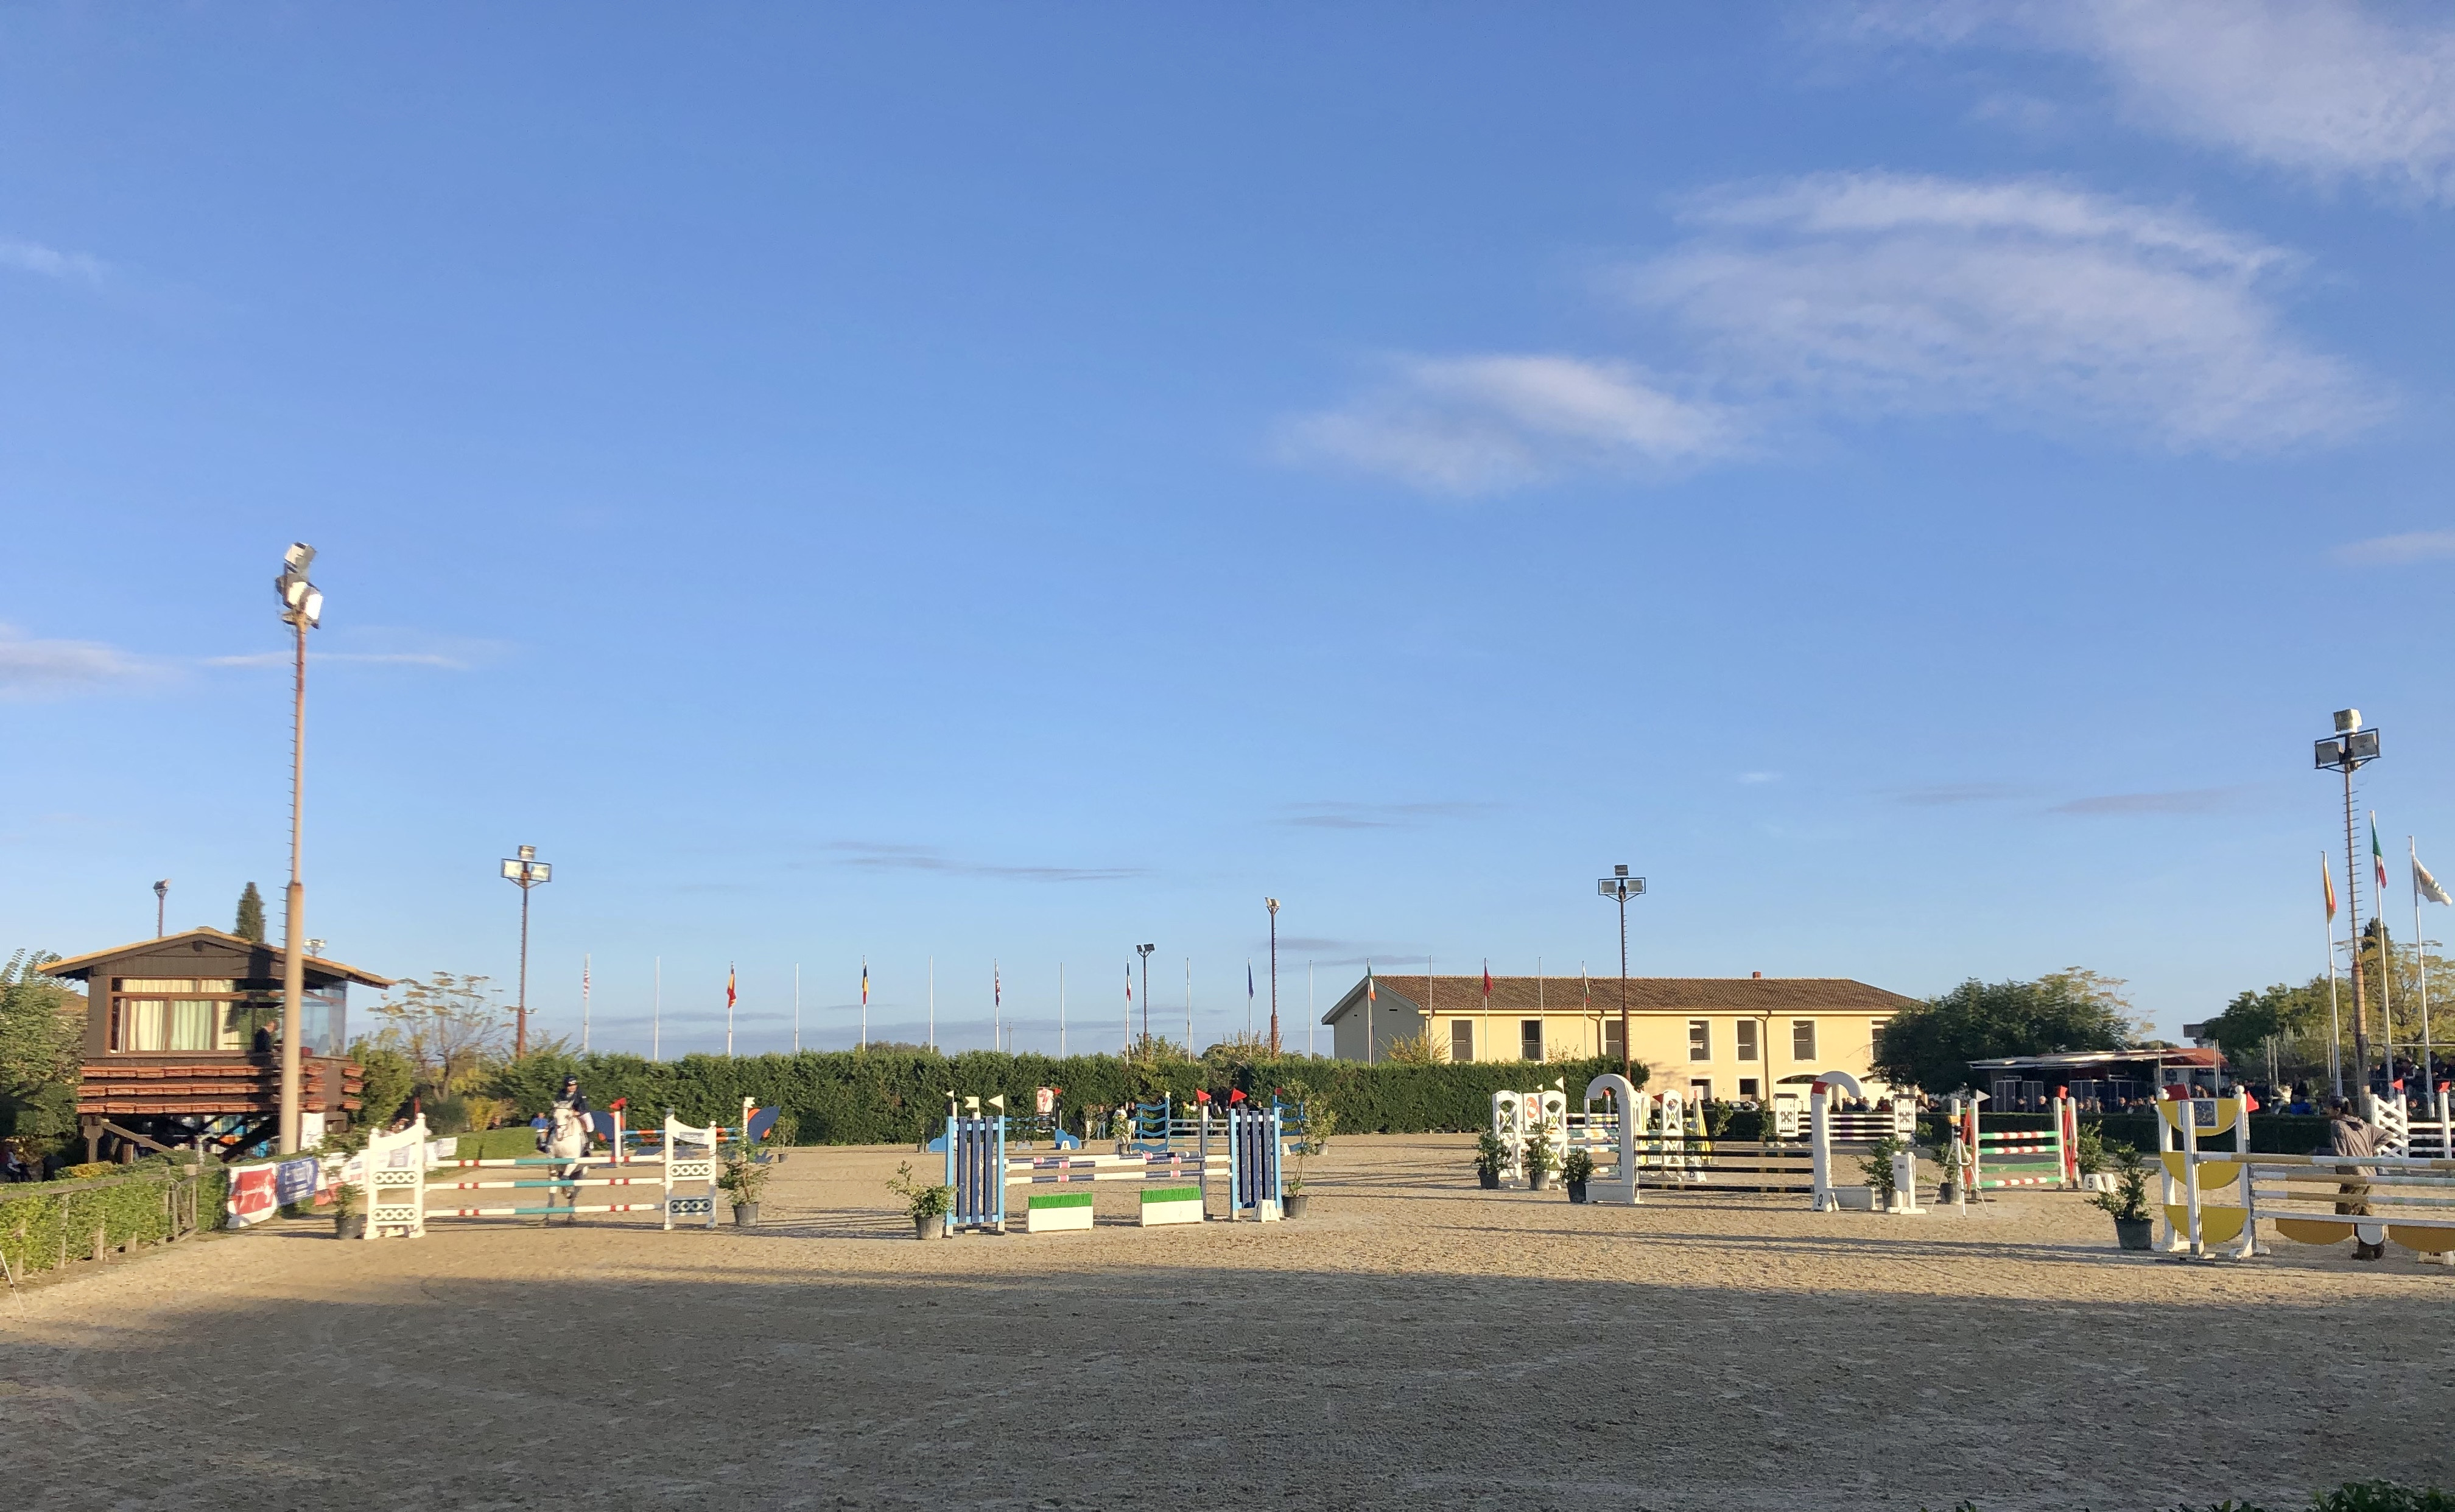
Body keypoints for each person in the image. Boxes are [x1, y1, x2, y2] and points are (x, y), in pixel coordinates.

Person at [2325, 1098, 2392, 1261]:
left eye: (2329, 1108)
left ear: (2338, 1110)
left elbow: (2340, 1152)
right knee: (2363, 1212)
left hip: (2353, 1175)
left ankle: (2376, 1241)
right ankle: (2366, 1249)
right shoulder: (2363, 1125)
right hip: (2369, 1173)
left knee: (2345, 1213)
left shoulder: (2337, 1125)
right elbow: (2387, 1135)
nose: (2327, 1111)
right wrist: (2369, 1149)